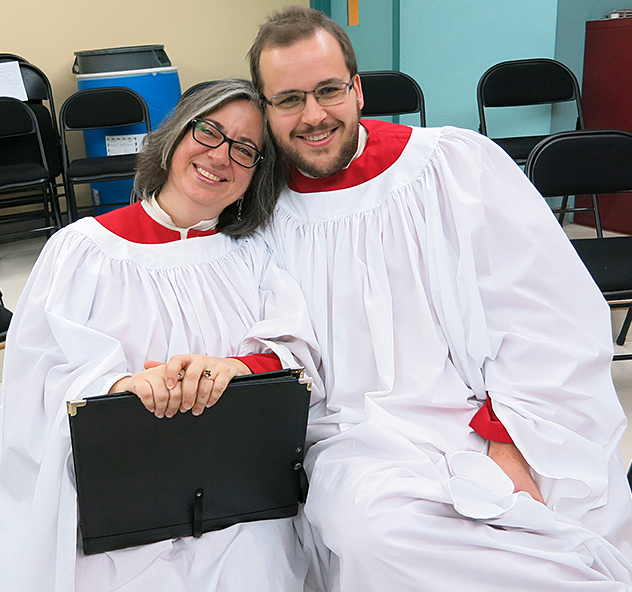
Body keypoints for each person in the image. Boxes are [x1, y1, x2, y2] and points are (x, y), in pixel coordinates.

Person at [238, 5, 632, 590]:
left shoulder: (452, 168)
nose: (313, 115)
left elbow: (550, 318)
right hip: (354, 439)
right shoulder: (260, 216)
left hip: (491, 416)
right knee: (377, 537)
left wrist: (509, 444)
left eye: (328, 90)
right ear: (265, 110)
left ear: (358, 89)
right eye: (289, 99)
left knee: (546, 516)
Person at [0, 78, 321, 592]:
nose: (220, 156)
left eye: (245, 149)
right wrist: (119, 386)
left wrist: (235, 368)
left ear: (257, 173)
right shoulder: (83, 251)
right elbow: (36, 378)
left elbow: (297, 356)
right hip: (114, 495)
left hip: (233, 499)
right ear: (175, 135)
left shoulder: (255, 258)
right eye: (208, 131)